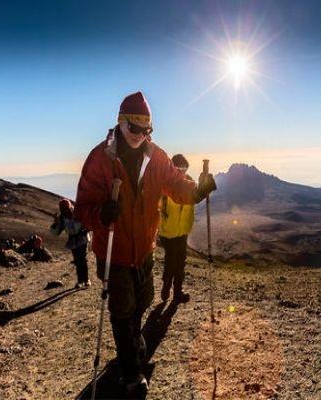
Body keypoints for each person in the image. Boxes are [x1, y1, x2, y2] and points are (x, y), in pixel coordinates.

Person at [74, 91, 216, 394]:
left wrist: (196, 192)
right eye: (135, 128)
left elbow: (176, 184)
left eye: (147, 129)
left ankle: (131, 344)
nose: (141, 135)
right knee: (122, 310)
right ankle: (131, 373)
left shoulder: (156, 156)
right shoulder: (101, 159)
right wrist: (101, 214)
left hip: (144, 250)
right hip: (115, 251)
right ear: (121, 123)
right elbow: (82, 208)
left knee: (142, 303)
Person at [159, 154, 195, 303]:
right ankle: (166, 287)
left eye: (184, 168)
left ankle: (177, 293)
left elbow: (196, 196)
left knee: (180, 262)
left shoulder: (190, 183)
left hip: (182, 229)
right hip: (168, 231)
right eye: (178, 168)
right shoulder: (165, 184)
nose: (182, 171)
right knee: (171, 261)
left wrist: (205, 188)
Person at [51, 199, 90, 288]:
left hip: (82, 237)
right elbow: (55, 233)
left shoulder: (78, 212)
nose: (65, 211)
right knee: (77, 260)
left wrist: (86, 228)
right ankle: (81, 281)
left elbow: (87, 222)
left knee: (82, 258)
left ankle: (86, 279)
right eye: (63, 210)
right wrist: (56, 223)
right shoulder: (62, 218)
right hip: (73, 240)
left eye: (66, 209)